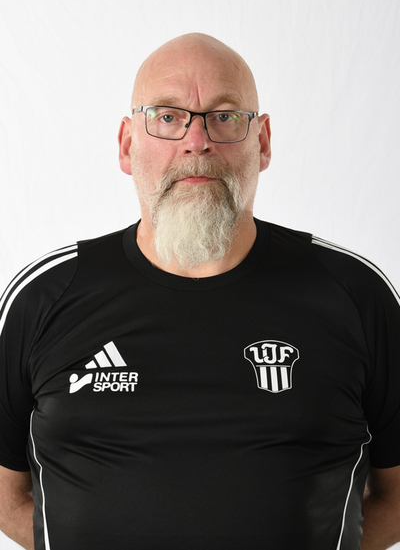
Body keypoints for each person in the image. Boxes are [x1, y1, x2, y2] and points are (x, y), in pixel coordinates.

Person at [0, 33, 399, 550]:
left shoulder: (354, 295)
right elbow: (6, 494)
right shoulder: (44, 298)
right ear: (126, 144)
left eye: (225, 116)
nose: (197, 141)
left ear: (263, 142)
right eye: (167, 117)